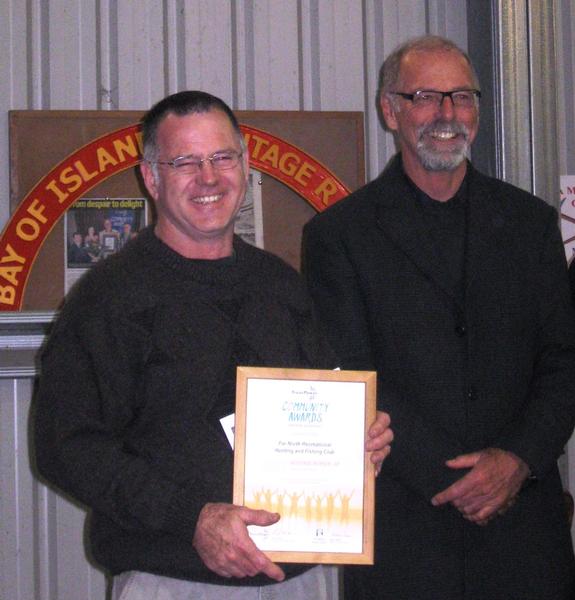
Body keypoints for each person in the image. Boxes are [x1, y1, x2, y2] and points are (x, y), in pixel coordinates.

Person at [34, 90, 393, 600]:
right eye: (185, 162)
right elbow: (66, 446)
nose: (209, 177)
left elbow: (329, 398)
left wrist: (364, 439)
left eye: (222, 157)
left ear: (245, 165)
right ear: (151, 178)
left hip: (299, 581)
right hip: (173, 580)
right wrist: (190, 519)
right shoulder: (109, 299)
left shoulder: (282, 286)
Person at [302, 35, 575, 600]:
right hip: (406, 535)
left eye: (462, 97)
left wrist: (518, 459)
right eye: (425, 96)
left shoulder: (531, 224)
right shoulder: (339, 237)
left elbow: (565, 360)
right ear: (389, 110)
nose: (447, 115)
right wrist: (456, 482)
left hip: (525, 532)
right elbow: (349, 376)